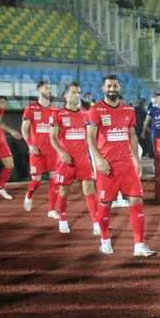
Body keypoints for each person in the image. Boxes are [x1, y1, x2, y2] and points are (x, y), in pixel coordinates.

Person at [86, 74, 156, 257]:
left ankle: (139, 246)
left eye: (115, 86)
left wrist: (136, 160)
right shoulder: (95, 110)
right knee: (105, 205)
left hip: (127, 165)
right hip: (107, 167)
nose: (112, 89)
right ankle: (105, 241)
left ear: (120, 88)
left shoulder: (128, 110)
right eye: (109, 86)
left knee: (137, 202)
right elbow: (90, 138)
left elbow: (132, 136)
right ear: (103, 88)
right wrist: (99, 160)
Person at [50, 82, 100, 236]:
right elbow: (52, 137)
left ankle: (96, 222)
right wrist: (60, 152)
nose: (77, 95)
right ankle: (63, 220)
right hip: (66, 160)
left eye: (78, 92)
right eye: (73, 92)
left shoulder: (86, 113)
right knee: (64, 190)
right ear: (65, 95)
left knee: (89, 190)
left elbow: (93, 136)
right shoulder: (57, 114)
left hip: (83, 159)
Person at [22, 80, 60, 218]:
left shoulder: (56, 110)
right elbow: (24, 129)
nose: (49, 90)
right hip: (37, 150)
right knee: (36, 181)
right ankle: (29, 194)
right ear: (39, 91)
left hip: (53, 151)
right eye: (46, 88)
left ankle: (51, 210)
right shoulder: (30, 108)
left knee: (54, 181)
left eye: (50, 88)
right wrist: (30, 145)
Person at [140, 92, 160, 161]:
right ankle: (156, 165)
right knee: (156, 150)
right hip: (155, 132)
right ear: (157, 99)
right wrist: (143, 131)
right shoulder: (152, 109)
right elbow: (146, 121)